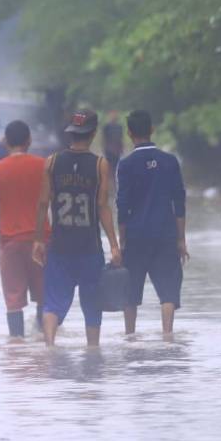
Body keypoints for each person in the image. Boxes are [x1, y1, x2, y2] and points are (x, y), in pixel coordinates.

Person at [32, 110, 122, 347]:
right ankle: (93, 351)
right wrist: (114, 245)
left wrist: (38, 240)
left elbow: (42, 203)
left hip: (59, 247)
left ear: (71, 133)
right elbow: (103, 207)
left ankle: (49, 348)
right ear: (93, 133)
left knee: (52, 305)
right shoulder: (100, 165)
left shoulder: (51, 162)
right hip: (89, 249)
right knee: (92, 306)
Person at [116, 110, 188, 336]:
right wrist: (181, 239)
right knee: (168, 293)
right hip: (165, 235)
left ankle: (130, 338)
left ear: (129, 133)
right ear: (152, 130)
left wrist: (121, 241)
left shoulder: (126, 165)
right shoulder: (169, 161)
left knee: (130, 294)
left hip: (135, 237)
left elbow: (122, 206)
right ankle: (168, 337)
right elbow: (179, 202)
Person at [0, 120, 47, 338]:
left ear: (5, 142)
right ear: (29, 141)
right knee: (44, 296)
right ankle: (45, 342)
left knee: (13, 300)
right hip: (41, 241)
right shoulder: (44, 166)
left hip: (11, 243)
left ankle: (16, 345)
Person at [102, 111, 125, 178]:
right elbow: (104, 139)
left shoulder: (119, 127)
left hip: (116, 150)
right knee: (110, 167)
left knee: (114, 167)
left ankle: (113, 180)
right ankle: (110, 180)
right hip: (109, 150)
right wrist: (104, 148)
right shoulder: (106, 127)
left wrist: (122, 148)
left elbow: (121, 138)